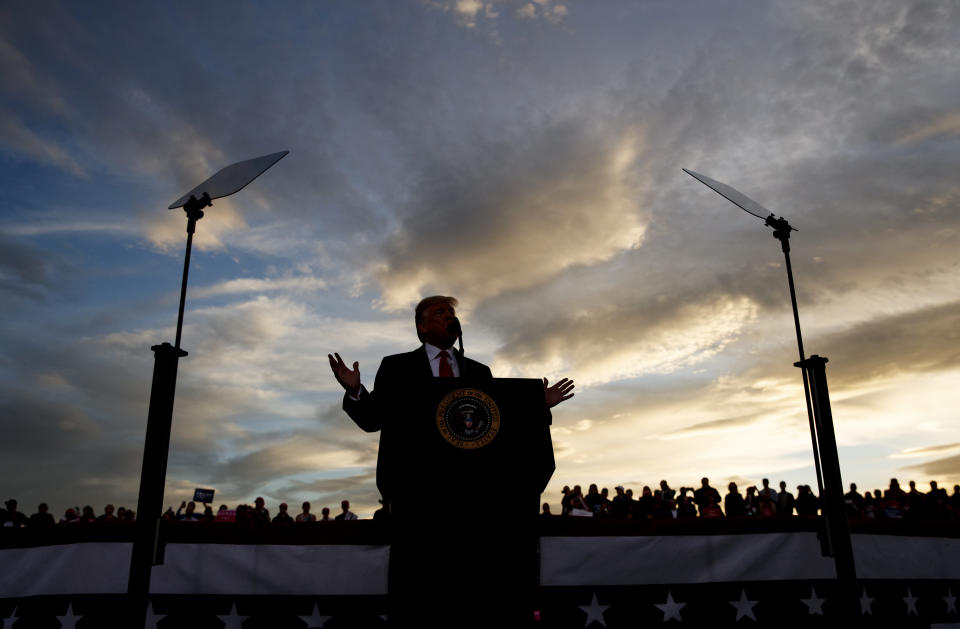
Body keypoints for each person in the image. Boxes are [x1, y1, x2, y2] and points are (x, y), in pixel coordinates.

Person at [328, 295, 574, 626]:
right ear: (421, 326)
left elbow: (496, 423)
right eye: (440, 312)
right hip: (418, 498)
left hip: (475, 502)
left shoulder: (479, 371)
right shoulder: (396, 366)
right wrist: (356, 391)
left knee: (472, 595)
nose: (450, 316)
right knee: (420, 594)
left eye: (452, 312)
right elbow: (374, 419)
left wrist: (535, 405)